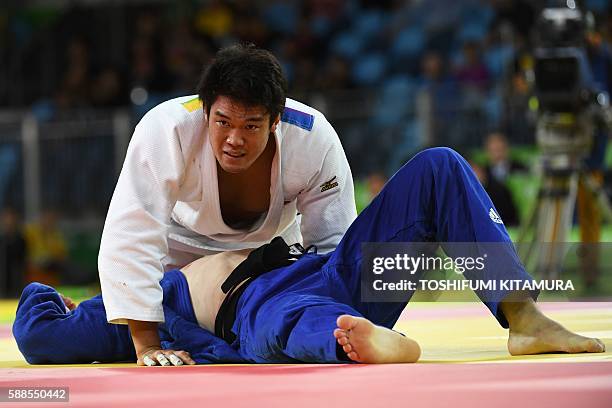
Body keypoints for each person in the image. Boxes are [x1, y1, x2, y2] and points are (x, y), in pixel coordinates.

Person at [14, 148, 604, 366]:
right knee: (286, 323)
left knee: (440, 167)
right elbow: (40, 337)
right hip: (249, 310)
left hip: (325, 267)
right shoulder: (136, 305)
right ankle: (366, 341)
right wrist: (52, 300)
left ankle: (523, 316)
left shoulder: (295, 148)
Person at [98, 44, 357, 365]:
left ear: (276, 120)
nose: (235, 139)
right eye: (223, 122)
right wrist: (147, 345)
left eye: (250, 126)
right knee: (49, 338)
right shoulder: (167, 128)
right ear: (205, 112)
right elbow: (131, 233)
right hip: (175, 274)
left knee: (286, 334)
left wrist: (336, 314)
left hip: (264, 274)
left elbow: (334, 244)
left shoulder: (312, 138)